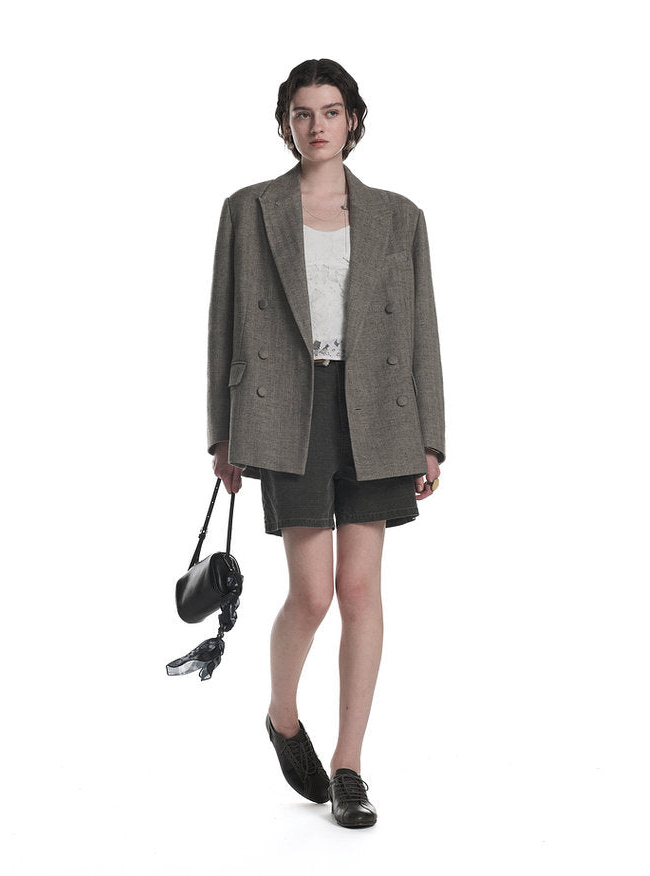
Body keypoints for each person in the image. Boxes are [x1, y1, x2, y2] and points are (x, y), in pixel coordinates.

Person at [207, 58, 445, 829]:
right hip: (287, 409)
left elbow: (422, 330)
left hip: (379, 411)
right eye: (304, 113)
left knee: (361, 591)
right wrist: (223, 435)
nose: (318, 126)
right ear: (287, 123)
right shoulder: (249, 210)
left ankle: (348, 765)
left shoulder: (399, 216)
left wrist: (431, 437)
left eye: (332, 111)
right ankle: (282, 717)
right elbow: (223, 327)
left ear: (353, 120)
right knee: (311, 595)